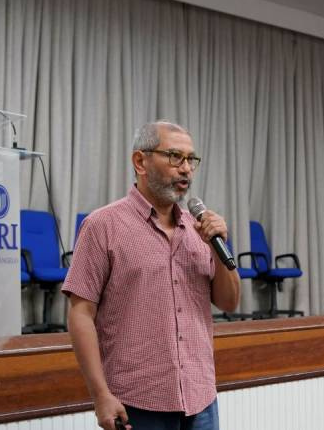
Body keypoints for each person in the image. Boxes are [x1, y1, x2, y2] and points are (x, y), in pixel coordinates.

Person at [62, 120, 240, 430]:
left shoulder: (200, 230)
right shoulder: (103, 225)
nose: (186, 169)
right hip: (138, 403)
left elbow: (229, 302)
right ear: (140, 161)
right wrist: (100, 395)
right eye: (174, 156)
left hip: (201, 400)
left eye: (190, 160)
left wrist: (216, 246)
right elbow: (81, 314)